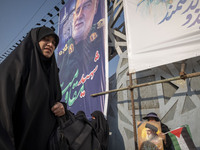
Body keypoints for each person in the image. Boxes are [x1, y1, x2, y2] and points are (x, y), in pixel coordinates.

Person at [0, 26, 66, 150]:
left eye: (54, 43)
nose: (50, 44)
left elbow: (54, 101)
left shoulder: (52, 73)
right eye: (45, 39)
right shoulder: (16, 66)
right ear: (35, 41)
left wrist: (62, 108)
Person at [58, 0, 106, 118]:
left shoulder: (99, 31)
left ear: (95, 9)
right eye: (77, 10)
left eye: (87, 6)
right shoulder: (63, 54)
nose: (80, 15)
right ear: (73, 16)